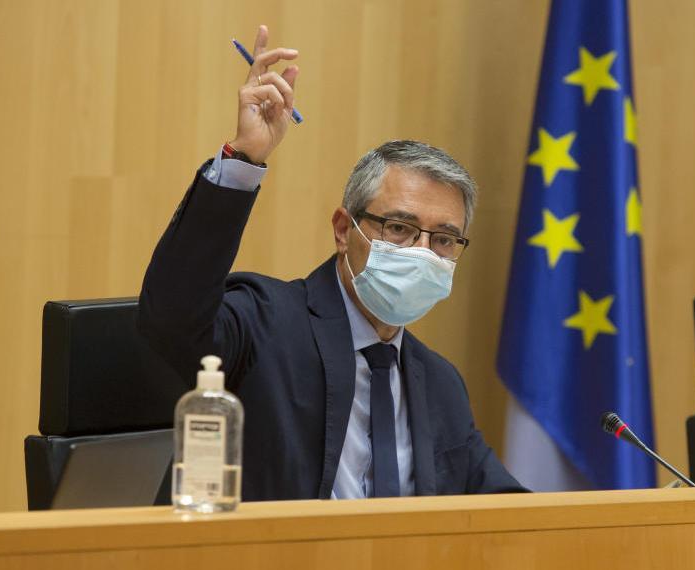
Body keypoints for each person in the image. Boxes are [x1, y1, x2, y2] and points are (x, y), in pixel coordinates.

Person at [139, 26, 525, 500]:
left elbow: (507, 515)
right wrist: (243, 160)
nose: (422, 252)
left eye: (443, 239)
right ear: (345, 230)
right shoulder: (266, 325)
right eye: (400, 229)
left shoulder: (440, 384)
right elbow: (173, 320)